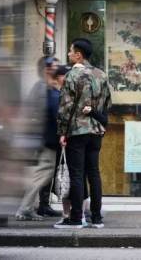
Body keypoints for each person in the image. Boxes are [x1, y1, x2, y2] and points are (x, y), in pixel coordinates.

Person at [55, 38, 111, 229]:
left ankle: (77, 218)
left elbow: (65, 106)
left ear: (79, 54)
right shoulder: (101, 75)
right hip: (96, 130)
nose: (69, 54)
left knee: (77, 174)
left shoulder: (72, 75)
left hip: (77, 130)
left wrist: (62, 131)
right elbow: (107, 104)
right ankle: (96, 218)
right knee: (94, 173)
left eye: (71, 51)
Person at [15, 59, 65, 221]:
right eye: (55, 67)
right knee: (42, 174)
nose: (58, 70)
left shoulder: (46, 87)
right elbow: (50, 113)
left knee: (43, 174)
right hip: (46, 139)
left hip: (45, 138)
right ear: (47, 69)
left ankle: (37, 206)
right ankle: (25, 208)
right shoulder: (43, 88)